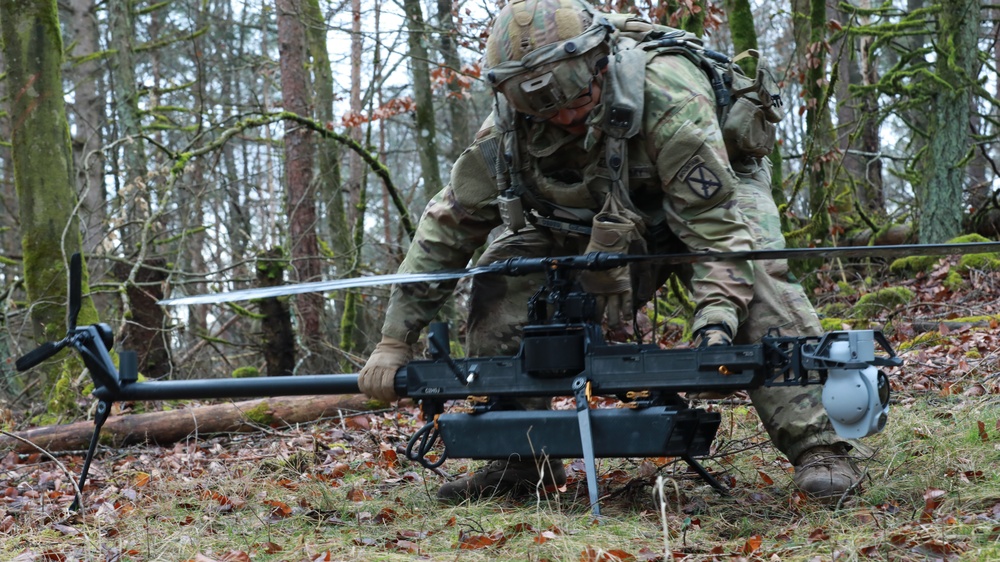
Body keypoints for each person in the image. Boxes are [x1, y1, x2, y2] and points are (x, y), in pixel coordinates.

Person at [360, 0, 863, 503]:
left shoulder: (668, 95)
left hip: (708, 202)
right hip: (595, 214)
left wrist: (715, 323)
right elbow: (447, 228)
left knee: (758, 282)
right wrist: (394, 338)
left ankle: (820, 447)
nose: (565, 118)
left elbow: (717, 229)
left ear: (600, 64)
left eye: (576, 103)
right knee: (505, 277)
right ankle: (519, 459)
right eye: (548, 113)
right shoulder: (506, 132)